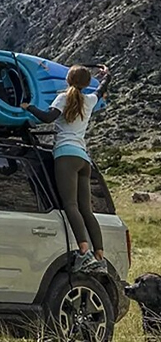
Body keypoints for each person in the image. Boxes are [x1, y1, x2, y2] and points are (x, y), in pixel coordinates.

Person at [21, 64, 112, 273]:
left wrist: (29, 107)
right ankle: (100, 256)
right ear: (87, 83)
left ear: (68, 80)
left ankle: (83, 252)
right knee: (86, 210)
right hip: (83, 158)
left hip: (65, 155)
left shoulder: (63, 98)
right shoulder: (90, 100)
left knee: (70, 205)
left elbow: (47, 118)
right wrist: (107, 76)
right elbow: (102, 89)